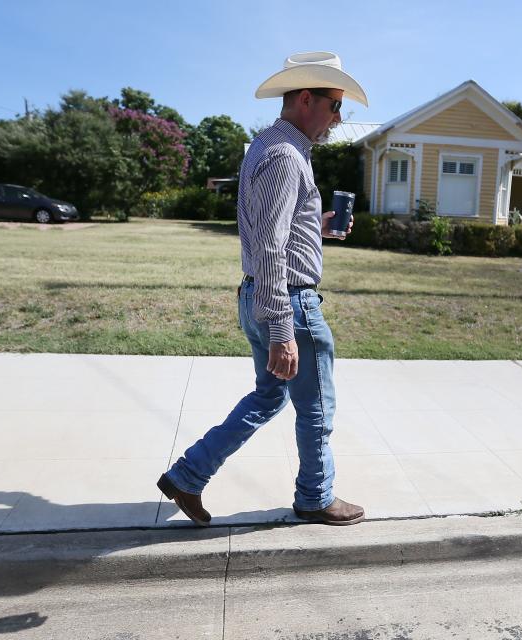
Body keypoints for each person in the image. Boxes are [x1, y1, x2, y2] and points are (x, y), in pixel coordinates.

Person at [157, 52, 368, 527]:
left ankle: (187, 476)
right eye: (335, 105)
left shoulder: (266, 146)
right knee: (314, 407)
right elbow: (271, 247)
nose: (338, 118)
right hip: (287, 302)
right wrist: (282, 329)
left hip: (260, 295)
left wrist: (320, 227)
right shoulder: (285, 156)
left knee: (269, 397)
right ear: (307, 98)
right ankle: (315, 497)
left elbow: (274, 229)